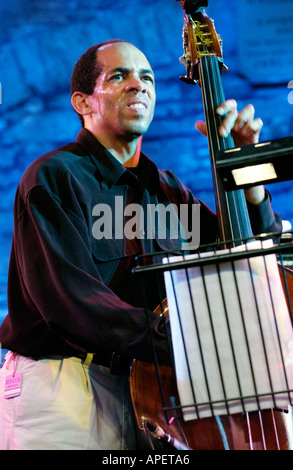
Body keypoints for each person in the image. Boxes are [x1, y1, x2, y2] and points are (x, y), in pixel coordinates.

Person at [0, 39, 282, 450]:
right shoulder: (54, 177)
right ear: (83, 102)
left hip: (147, 388)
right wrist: (194, 344)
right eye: (119, 76)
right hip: (63, 385)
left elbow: (250, 259)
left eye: (147, 77)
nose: (139, 85)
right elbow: (73, 302)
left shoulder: (168, 191)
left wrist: (247, 174)